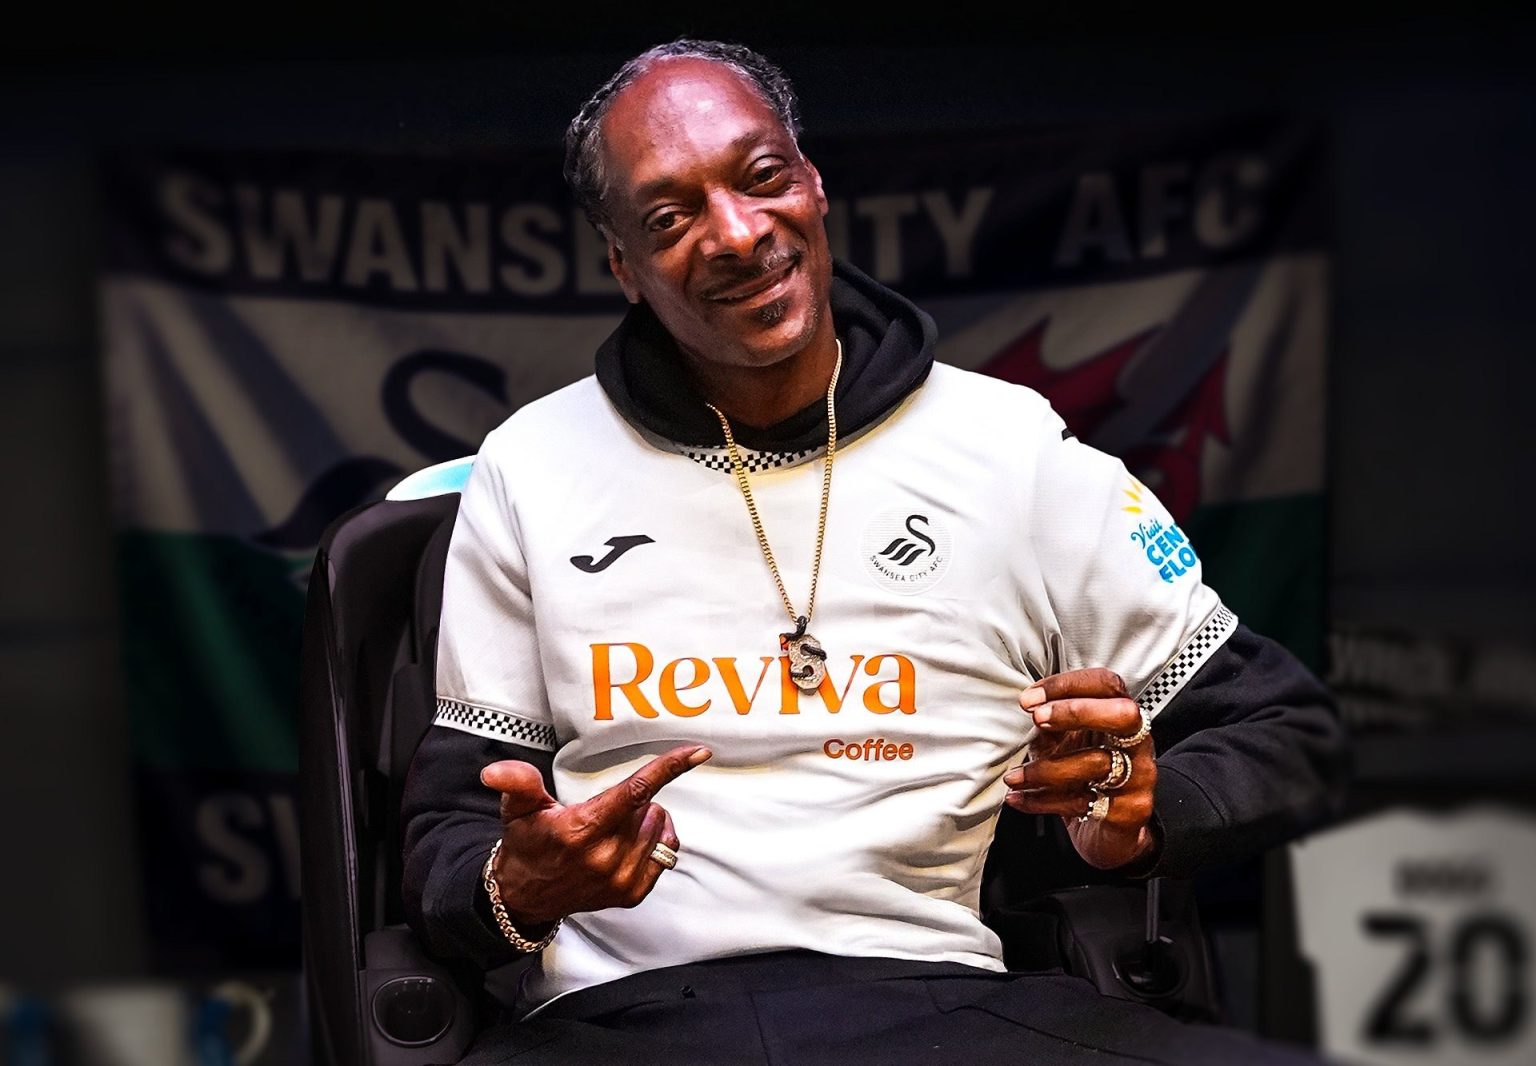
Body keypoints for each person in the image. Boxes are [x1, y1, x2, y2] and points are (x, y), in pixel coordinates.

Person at [401, 38, 1348, 1065]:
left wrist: (1141, 810)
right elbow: (450, 832)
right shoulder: (532, 464)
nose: (735, 233)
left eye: (762, 177)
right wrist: (520, 886)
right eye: (669, 219)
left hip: (940, 1007)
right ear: (623, 265)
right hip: (622, 1020)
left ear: (812, 184)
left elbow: (1286, 730)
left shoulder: (1008, 450)